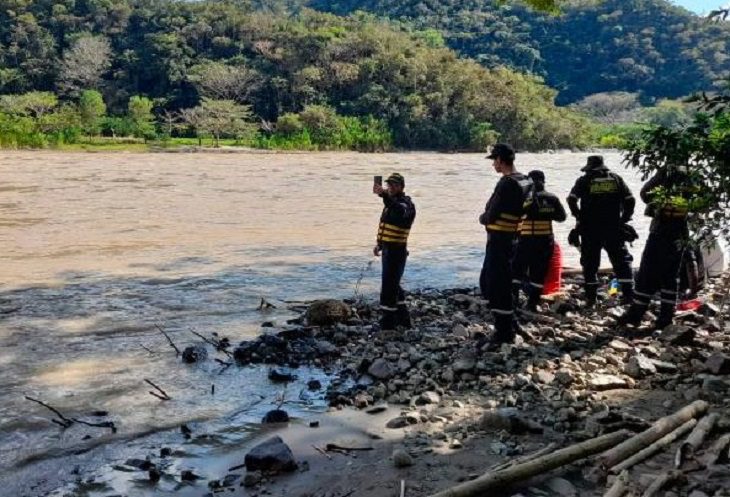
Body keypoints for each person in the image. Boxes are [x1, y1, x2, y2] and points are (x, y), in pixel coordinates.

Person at [619, 167, 696, 330]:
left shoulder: (664, 182)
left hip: (660, 233)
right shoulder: (692, 181)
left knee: (647, 273)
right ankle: (665, 317)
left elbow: (644, 194)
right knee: (671, 276)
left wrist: (660, 173)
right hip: (680, 234)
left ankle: (636, 314)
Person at [479, 144, 533, 345]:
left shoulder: (506, 183)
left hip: (500, 240)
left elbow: (492, 213)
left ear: (500, 160)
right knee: (507, 281)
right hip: (516, 237)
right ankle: (512, 321)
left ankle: (503, 330)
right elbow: (530, 207)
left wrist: (482, 218)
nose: (493, 164)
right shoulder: (527, 180)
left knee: (495, 284)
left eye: (494, 160)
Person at [567, 155, 636, 307]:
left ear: (589, 168)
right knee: (621, 261)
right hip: (613, 227)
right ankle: (628, 295)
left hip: (590, 228)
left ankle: (591, 298)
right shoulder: (616, 179)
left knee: (590, 263)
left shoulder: (584, 180)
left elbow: (571, 199)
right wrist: (624, 219)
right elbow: (630, 200)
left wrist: (578, 216)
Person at [512, 170, 567, 312]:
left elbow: (515, 215)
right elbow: (562, 217)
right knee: (539, 272)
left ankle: (514, 299)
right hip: (545, 240)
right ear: (544, 181)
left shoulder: (525, 198)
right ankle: (532, 302)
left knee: (518, 270)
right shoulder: (552, 198)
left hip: (526, 239)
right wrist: (547, 212)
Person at [373, 173, 416, 331]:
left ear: (401, 187)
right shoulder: (390, 204)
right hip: (388, 250)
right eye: (389, 185)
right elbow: (387, 225)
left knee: (389, 286)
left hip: (397, 252)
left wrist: (384, 195)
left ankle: (388, 322)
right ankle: (404, 319)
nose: (390, 187)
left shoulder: (406, 204)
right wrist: (379, 244)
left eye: (394, 185)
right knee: (393, 284)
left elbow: (399, 210)